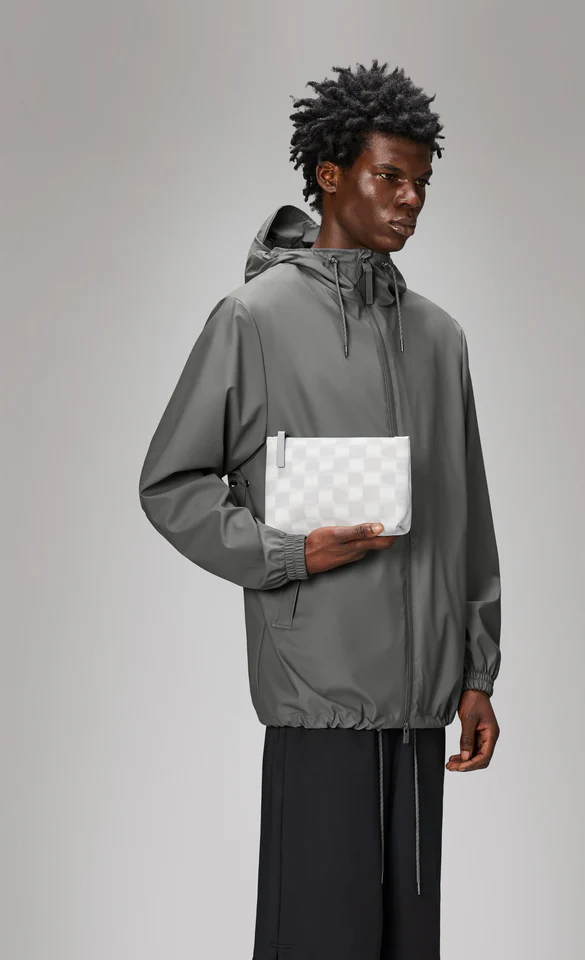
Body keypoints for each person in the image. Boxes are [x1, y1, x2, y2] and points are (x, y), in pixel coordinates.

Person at [139, 59, 501, 960]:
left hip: (421, 716)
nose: (411, 199)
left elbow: (469, 518)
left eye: (422, 181)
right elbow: (171, 483)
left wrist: (479, 672)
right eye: (390, 176)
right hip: (320, 708)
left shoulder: (440, 337)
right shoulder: (253, 321)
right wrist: (288, 553)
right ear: (331, 174)